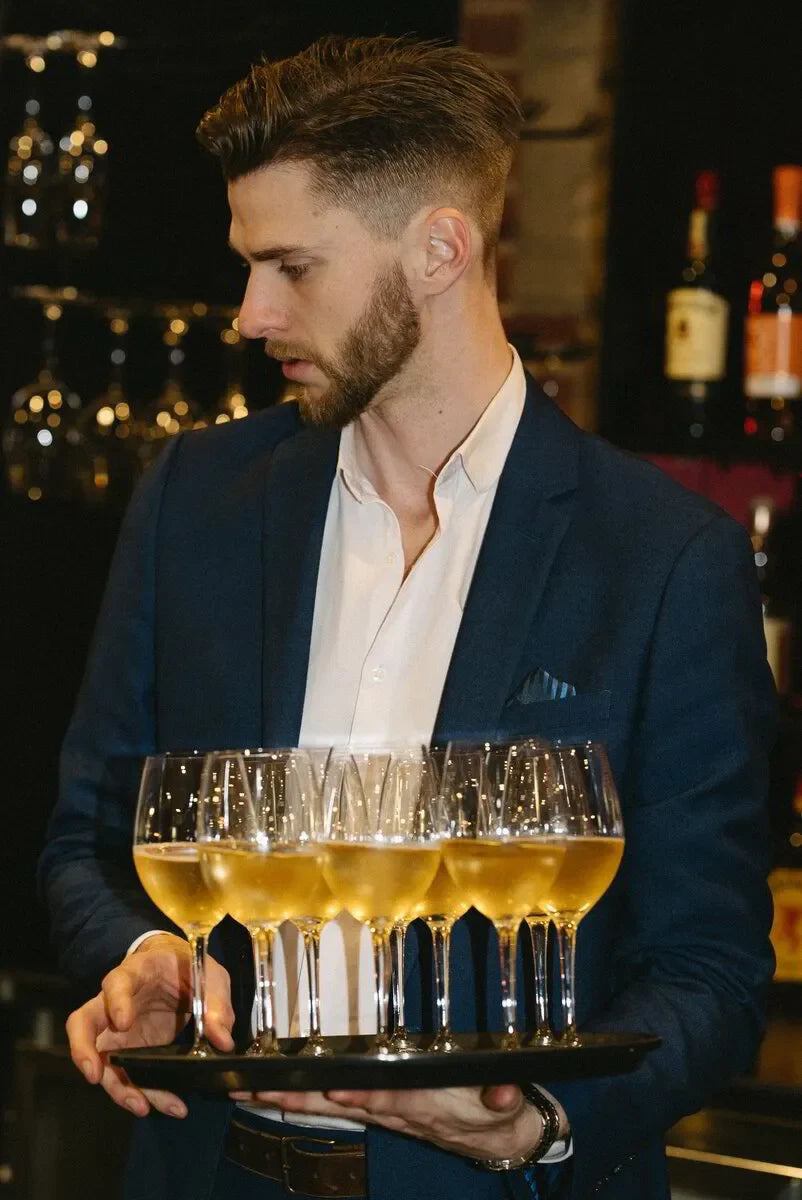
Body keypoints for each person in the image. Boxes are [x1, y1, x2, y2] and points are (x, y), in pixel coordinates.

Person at [40, 34, 776, 1200]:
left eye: (292, 267)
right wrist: (142, 956)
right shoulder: (196, 501)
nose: (248, 313)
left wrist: (535, 1121)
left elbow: (714, 971)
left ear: (440, 249)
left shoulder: (661, 557)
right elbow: (86, 838)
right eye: (247, 265)